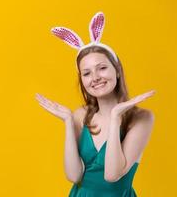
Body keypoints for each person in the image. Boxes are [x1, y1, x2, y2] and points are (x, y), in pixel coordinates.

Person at [35, 11, 155, 197]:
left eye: (102, 68)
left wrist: (115, 118)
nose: (95, 78)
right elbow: (74, 175)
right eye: (87, 73)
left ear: (116, 70)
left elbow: (112, 174)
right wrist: (68, 121)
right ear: (82, 79)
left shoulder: (141, 118)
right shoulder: (79, 116)